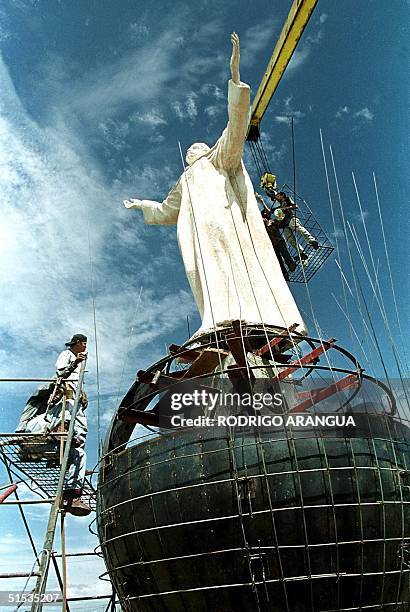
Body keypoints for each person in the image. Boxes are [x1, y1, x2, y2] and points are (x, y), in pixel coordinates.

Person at [123, 33, 306, 339]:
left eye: (195, 148)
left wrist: (234, 76)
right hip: (197, 232)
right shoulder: (184, 180)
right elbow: (168, 211)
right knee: (202, 271)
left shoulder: (216, 159)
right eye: (188, 152)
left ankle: (244, 314)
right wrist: (143, 204)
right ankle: (216, 317)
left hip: (223, 221)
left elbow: (235, 128)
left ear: (204, 149)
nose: (190, 152)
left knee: (229, 262)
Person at [16, 334, 91, 516]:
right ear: (78, 343)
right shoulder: (66, 355)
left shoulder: (67, 405)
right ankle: (64, 443)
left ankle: (72, 495)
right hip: (41, 435)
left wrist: (81, 394)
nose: (85, 346)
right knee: (66, 422)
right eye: (84, 343)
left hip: (60, 429)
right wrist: (73, 365)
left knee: (79, 451)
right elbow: (60, 373)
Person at [255, 193, 296, 280]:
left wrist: (262, 201)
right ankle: (284, 274)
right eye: (264, 216)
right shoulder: (262, 226)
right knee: (278, 260)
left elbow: (271, 213)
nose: (266, 217)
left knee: (284, 252)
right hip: (272, 244)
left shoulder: (273, 222)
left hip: (279, 241)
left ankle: (291, 264)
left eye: (267, 216)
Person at [274, 191, 319, 260]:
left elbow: (295, 206)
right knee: (290, 240)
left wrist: (286, 208)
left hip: (291, 219)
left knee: (299, 229)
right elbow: (272, 211)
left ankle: (312, 241)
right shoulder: (280, 206)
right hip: (285, 224)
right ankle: (301, 253)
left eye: (278, 196)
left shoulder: (287, 199)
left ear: (282, 195)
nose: (277, 198)